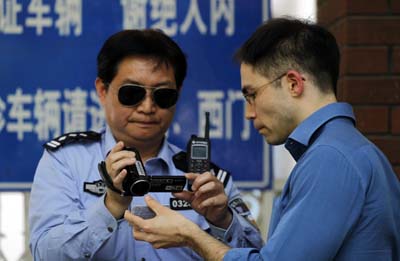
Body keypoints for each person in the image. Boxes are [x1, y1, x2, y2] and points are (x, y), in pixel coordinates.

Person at [124, 17, 400, 260]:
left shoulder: (331, 159)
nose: (248, 113)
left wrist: (190, 235)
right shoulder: (346, 151)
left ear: (294, 84)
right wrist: (220, 219)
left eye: (252, 94)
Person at [29, 29, 263, 260]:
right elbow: (46, 254)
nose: (147, 107)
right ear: (102, 90)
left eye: (163, 95)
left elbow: (258, 255)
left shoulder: (207, 179)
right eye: (132, 93)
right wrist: (110, 206)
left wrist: (222, 221)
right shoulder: (66, 160)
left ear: (178, 94)